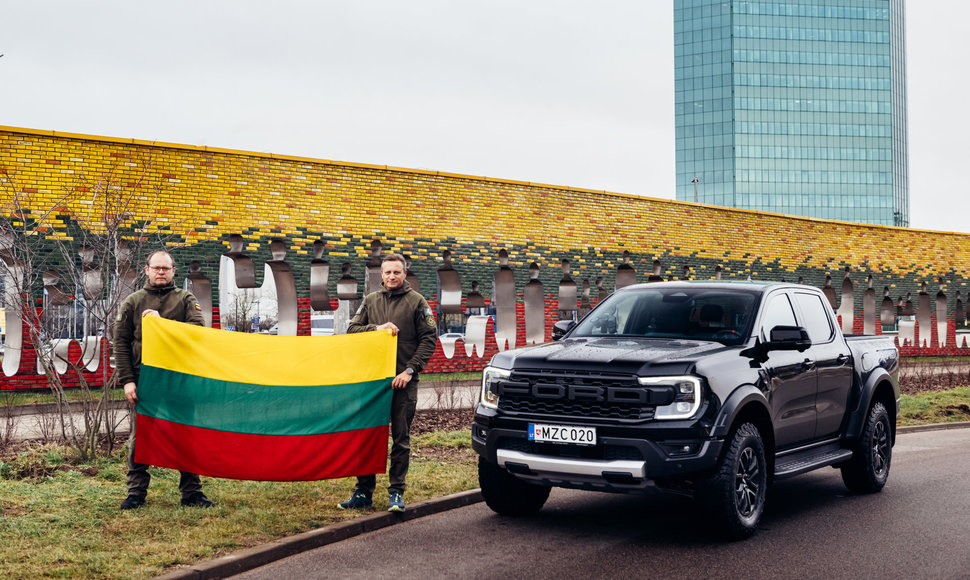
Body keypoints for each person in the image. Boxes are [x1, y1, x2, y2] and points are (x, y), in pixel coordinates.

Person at [114, 250, 214, 510]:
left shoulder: (186, 299)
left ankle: (192, 493)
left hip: (179, 381)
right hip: (143, 382)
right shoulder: (133, 302)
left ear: (173, 271)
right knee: (140, 438)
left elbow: (196, 333)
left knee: (185, 436)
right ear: (146, 270)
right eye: (156, 267)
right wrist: (127, 381)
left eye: (165, 268)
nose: (161, 272)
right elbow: (121, 344)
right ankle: (136, 493)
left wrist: (163, 324)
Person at [339, 253, 437, 512]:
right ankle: (363, 492)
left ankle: (396, 492)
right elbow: (351, 330)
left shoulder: (417, 302)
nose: (392, 276)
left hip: (403, 381)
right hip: (373, 383)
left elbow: (429, 340)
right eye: (387, 272)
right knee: (367, 436)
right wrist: (377, 328)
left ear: (405, 274)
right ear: (381, 275)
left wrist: (409, 370)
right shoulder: (370, 300)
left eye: (397, 272)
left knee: (401, 439)